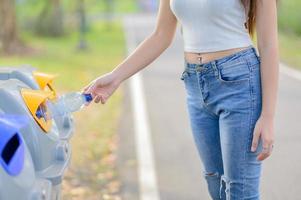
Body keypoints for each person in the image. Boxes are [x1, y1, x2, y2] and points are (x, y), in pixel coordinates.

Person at [83, 0, 279, 199]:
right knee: (216, 184)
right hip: (195, 83)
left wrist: (268, 116)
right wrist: (115, 77)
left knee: (240, 192)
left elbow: (269, 45)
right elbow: (161, 35)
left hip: (240, 84)